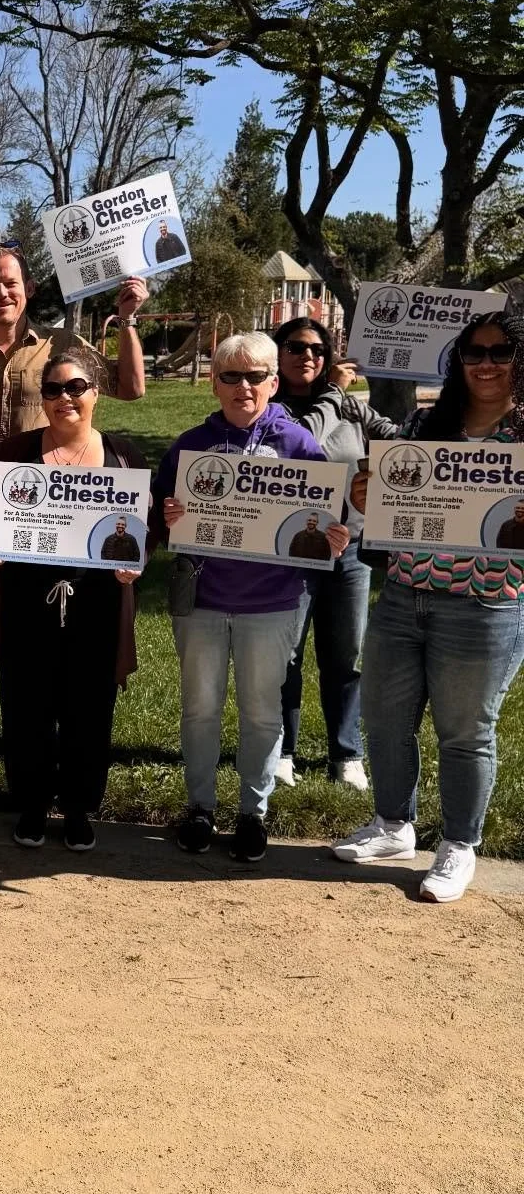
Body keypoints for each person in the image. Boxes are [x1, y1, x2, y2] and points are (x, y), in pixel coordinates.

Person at [0, 241, 149, 770]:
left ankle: (48, 731)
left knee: (46, 623)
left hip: (54, 509)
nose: (1, 292)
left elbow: (130, 388)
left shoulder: (64, 344)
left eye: (10, 282)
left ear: (28, 289)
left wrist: (126, 321)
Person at [334, 309, 524, 902]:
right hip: (404, 593)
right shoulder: (424, 423)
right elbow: (390, 497)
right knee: (385, 720)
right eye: (474, 353)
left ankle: (459, 844)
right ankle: (393, 825)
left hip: (485, 603)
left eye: (500, 352)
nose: (486, 364)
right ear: (458, 361)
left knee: (465, 732)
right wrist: (367, 493)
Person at [154, 332, 349, 862]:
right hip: (203, 599)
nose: (244, 386)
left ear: (273, 382)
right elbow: (159, 515)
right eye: (231, 376)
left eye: (256, 376)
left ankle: (252, 813)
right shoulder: (190, 445)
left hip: (273, 602)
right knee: (200, 709)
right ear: (214, 383)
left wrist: (334, 536)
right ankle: (200, 807)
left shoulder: (300, 445)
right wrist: (169, 515)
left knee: (262, 713)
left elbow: (329, 517)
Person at [0, 349, 147, 850]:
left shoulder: (123, 456)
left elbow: (145, 530)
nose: (64, 399)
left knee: (89, 709)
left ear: (96, 393)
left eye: (75, 388)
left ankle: (78, 808)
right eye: (53, 390)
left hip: (97, 603)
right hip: (26, 600)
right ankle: (31, 805)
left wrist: (136, 563)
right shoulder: (15, 452)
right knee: (26, 706)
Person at [271, 315, 399, 790]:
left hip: (350, 548)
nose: (308, 356)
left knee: (346, 655)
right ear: (278, 354)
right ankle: (283, 749)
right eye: (296, 347)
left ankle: (346, 753)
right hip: (290, 548)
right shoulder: (270, 407)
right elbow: (301, 441)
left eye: (318, 349)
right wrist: (335, 391)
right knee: (287, 654)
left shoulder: (348, 405)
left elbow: (397, 437)